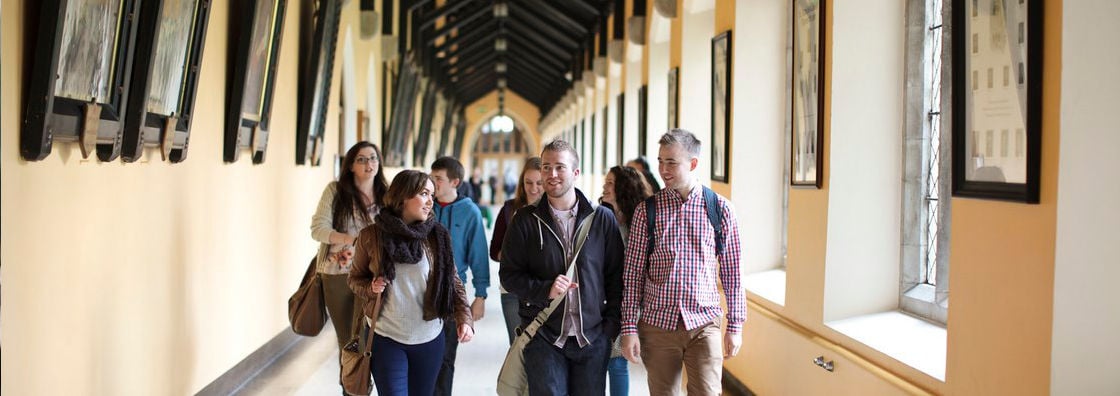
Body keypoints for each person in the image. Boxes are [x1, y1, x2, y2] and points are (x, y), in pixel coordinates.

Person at [620, 129, 744, 396]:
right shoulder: (647, 211)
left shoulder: (720, 209)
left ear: (693, 163)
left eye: (671, 162)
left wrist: (735, 326)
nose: (663, 169)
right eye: (661, 161)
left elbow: (733, 273)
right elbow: (633, 274)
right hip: (657, 325)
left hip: (704, 324)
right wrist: (629, 327)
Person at [500, 140, 624, 396]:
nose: (551, 174)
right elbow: (509, 276)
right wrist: (545, 289)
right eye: (546, 167)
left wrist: (609, 329)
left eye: (560, 167)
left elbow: (616, 277)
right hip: (543, 335)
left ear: (576, 173)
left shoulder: (602, 219)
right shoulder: (524, 219)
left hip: (591, 337)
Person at [348, 170, 475, 396]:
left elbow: (452, 281)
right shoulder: (372, 236)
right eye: (424, 193)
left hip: (429, 338)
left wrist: (465, 318)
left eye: (432, 195)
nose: (430, 201)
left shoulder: (437, 236)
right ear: (403, 196)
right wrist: (370, 287)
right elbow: (355, 279)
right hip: (386, 338)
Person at [309, 141, 388, 393]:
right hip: (338, 275)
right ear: (351, 165)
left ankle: (362, 386)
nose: (369, 164)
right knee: (348, 341)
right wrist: (352, 239)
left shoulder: (387, 194)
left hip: (374, 276)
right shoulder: (335, 191)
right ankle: (352, 390)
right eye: (362, 159)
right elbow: (318, 229)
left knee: (370, 339)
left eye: (373, 158)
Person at [430, 156, 490, 395]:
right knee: (423, 358)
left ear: (455, 182)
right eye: (431, 177)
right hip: (419, 293)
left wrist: (481, 295)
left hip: (452, 295)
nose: (433, 183)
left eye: (438, 179)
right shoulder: (424, 206)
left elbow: (479, 254)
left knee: (445, 359)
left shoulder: (470, 212)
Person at [600, 165, 653, 396]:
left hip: (627, 302)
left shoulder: (637, 226)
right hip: (600, 299)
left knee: (617, 360)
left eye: (610, 183)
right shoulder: (599, 218)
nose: (605, 186)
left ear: (624, 188)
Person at [490, 157, 544, 344]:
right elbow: (494, 251)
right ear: (522, 182)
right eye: (528, 182)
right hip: (512, 288)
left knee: (541, 347)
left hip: (543, 288)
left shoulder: (552, 210)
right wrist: (512, 256)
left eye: (539, 183)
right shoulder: (509, 209)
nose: (533, 188)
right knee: (517, 345)